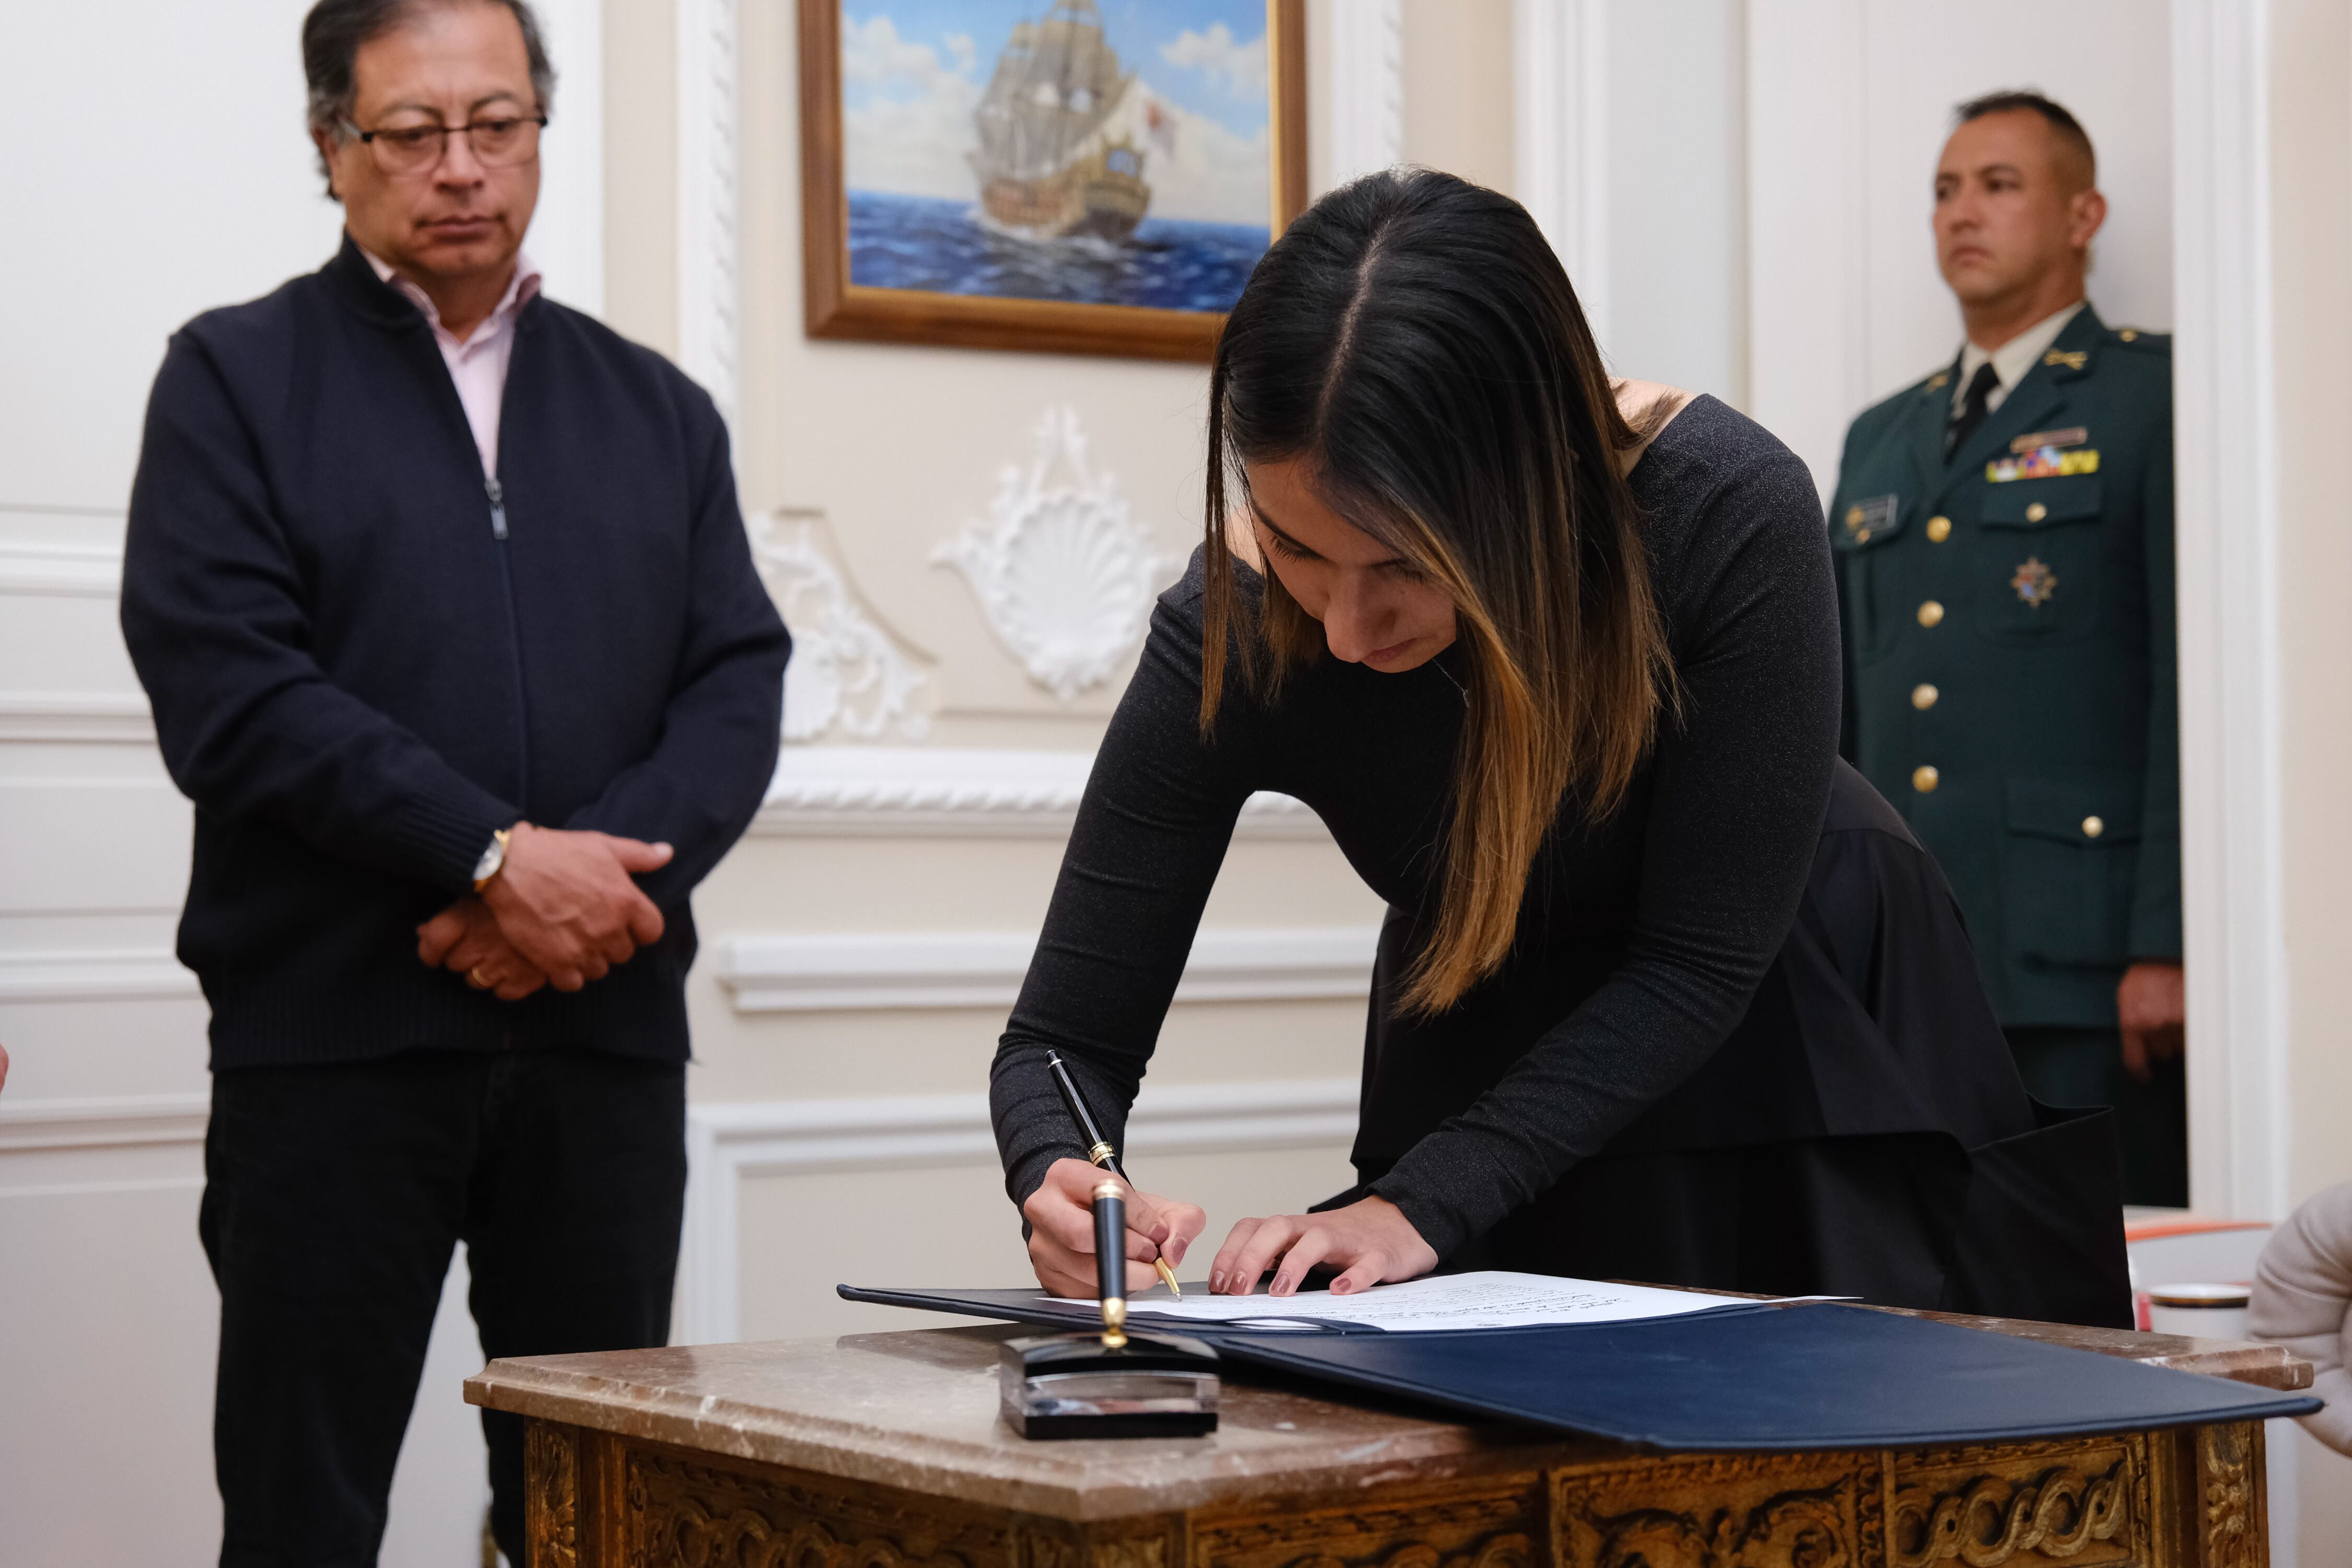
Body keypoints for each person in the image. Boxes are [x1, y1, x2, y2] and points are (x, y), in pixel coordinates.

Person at [989, 169, 2128, 1327]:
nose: (1342, 626)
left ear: (1537, 491)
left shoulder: (1726, 508)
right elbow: (1065, 1037)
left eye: (1404, 567)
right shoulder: (1225, 626)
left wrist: (1412, 1204)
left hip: (1796, 1027)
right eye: (1296, 550)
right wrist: (1065, 1168)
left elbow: (1695, 965)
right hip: (1496, 1048)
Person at [119, 0, 789, 1561]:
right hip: (332, 1045)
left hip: (601, 1043)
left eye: (499, 125)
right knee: (303, 1512)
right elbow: (229, 689)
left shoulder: (659, 412)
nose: (462, 169)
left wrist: (586, 891)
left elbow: (735, 684)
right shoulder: (230, 379)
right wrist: (490, 857)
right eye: (412, 133)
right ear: (328, 146)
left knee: (592, 1516)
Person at [1826, 91, 2183, 1206]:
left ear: (2084, 216)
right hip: (1899, 968)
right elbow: (1833, 713)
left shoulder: (2152, 396)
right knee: (1923, 1287)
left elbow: (2188, 683)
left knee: (2090, 1288)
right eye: (1944, 189)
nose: (1961, 213)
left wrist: (2169, 941)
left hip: (2076, 963)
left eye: (1998, 184)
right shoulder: (1879, 436)